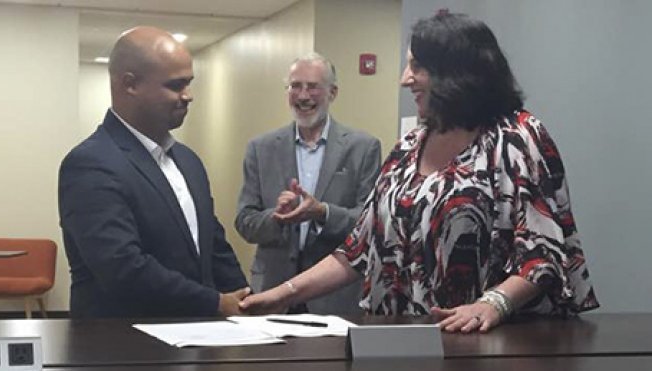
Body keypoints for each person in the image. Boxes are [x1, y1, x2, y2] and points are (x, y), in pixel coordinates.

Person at [239, 12, 599, 332]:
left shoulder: (517, 138)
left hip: (488, 344)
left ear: (456, 72)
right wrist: (280, 296)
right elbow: (360, 248)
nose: (404, 79)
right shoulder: (409, 147)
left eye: (416, 66)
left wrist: (493, 304)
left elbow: (544, 252)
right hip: (402, 341)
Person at [58, 26, 249, 318]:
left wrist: (246, 300)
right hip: (124, 349)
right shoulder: (90, 164)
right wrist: (215, 303)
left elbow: (213, 246)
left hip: (200, 340)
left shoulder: (188, 161)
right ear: (130, 84)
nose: (188, 96)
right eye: (175, 85)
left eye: (189, 83)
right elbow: (122, 269)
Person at [235, 53, 381, 314]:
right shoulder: (261, 148)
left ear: (332, 92)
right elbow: (245, 222)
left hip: (335, 298)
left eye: (312, 87)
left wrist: (323, 213)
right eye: (295, 86)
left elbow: (370, 223)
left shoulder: (363, 148)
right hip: (273, 291)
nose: (303, 96)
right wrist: (277, 218)